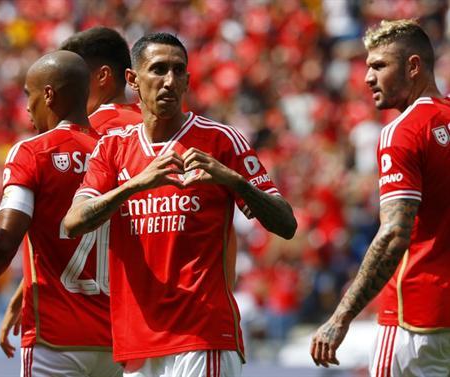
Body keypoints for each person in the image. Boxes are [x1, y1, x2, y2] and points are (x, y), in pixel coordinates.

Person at [63, 33, 297, 377]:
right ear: (132, 80)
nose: (169, 81)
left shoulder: (220, 141)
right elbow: (73, 222)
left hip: (203, 337)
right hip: (137, 343)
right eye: (158, 70)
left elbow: (286, 223)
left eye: (178, 71)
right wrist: (134, 185)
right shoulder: (113, 147)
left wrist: (232, 180)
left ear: (188, 80)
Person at [0, 50, 122, 377]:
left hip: (54, 337)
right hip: (115, 339)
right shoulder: (118, 154)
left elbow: (4, 237)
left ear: (49, 95)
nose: (27, 106)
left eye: (29, 94)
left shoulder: (33, 151)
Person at [310, 19, 450, 376]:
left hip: (414, 321)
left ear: (413, 66)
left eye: (378, 66)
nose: (368, 77)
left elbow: (393, 235)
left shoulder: (402, 131)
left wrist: (340, 318)